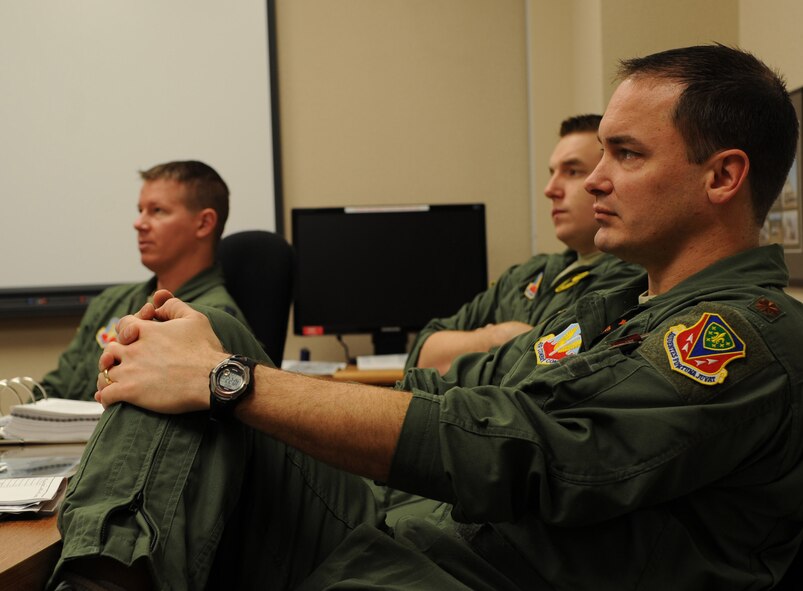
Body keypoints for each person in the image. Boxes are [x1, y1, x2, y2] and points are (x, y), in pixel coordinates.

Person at [51, 44, 803, 590]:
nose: (591, 180)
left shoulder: (736, 336)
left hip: (455, 567)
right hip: (402, 527)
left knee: (208, 376)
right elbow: (448, 385)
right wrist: (215, 372)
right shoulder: (610, 300)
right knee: (174, 347)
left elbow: (527, 453)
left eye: (624, 155)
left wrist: (230, 381)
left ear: (722, 175)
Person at [409, 115, 644, 374]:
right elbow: (421, 353)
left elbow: (540, 375)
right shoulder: (526, 274)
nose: (550, 189)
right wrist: (496, 337)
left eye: (572, 171)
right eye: (552, 173)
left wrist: (468, 346)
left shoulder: (631, 279)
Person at [40, 160, 248, 401]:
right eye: (140, 210)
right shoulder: (110, 302)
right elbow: (56, 389)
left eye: (157, 210)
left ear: (203, 223)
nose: (139, 223)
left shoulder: (213, 319)